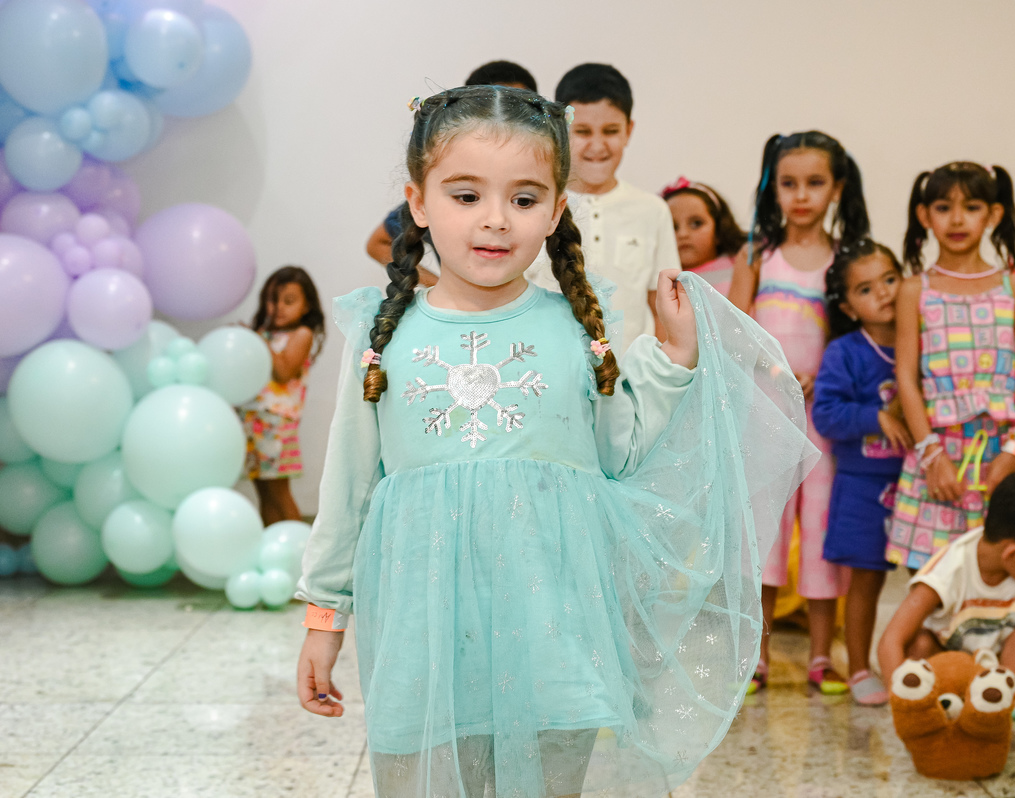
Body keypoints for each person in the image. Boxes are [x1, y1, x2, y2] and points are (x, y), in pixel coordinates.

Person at [294, 85, 816, 797]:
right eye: (466, 195)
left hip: (553, 630)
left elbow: (618, 454)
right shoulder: (382, 337)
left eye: (524, 198)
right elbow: (348, 488)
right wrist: (324, 617)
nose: (496, 220)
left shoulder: (577, 327)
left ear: (556, 210)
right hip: (426, 635)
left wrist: (673, 359)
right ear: (418, 202)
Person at [731, 131, 871, 695]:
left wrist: (825, 379)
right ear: (774, 188)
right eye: (789, 183)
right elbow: (733, 333)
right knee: (764, 532)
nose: (801, 195)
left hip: (825, 420)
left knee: (820, 531)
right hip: (765, 415)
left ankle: (820, 656)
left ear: (837, 188)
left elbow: (857, 337)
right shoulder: (757, 256)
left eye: (815, 183)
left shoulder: (846, 260)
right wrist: (773, 372)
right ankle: (756, 655)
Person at [878, 468, 1015, 760]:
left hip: (999, 674)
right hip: (951, 673)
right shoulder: (949, 570)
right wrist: (906, 704)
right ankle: (941, 719)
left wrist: (1001, 699)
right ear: (1013, 554)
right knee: (919, 644)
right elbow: (891, 640)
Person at [888, 162, 1015, 574]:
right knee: (931, 578)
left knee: (995, 573)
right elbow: (907, 379)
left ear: (993, 214)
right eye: (943, 207)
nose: (956, 220)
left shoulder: (1014, 287)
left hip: (998, 456)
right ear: (924, 216)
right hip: (938, 455)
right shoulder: (915, 289)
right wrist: (932, 455)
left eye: (971, 207)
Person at [812, 239, 910, 706]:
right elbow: (826, 414)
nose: (884, 293)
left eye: (890, 279)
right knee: (865, 582)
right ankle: (859, 669)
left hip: (920, 484)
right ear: (849, 307)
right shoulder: (845, 352)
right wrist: (876, 417)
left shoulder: (923, 340)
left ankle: (929, 660)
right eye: (867, 289)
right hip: (862, 487)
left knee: (931, 576)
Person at [524, 63, 680, 351]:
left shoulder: (652, 210)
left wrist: (661, 369)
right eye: (583, 131)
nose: (597, 146)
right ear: (560, 130)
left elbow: (662, 307)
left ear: (628, 131)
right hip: (550, 366)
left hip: (631, 372)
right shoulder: (534, 204)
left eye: (610, 131)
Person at [365, 60, 540, 280]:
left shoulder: (553, 192)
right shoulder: (440, 197)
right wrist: (436, 286)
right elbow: (378, 243)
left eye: (524, 201)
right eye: (467, 198)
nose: (503, 119)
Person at [240, 266, 325, 526]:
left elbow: (283, 372)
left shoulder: (302, 334)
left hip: (277, 424)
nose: (278, 307)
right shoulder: (265, 334)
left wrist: (258, 340)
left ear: (306, 306)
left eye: (288, 301)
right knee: (263, 491)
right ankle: (272, 541)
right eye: (272, 299)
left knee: (279, 491)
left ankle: (298, 545)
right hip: (253, 420)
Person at [660, 176, 745, 295]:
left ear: (719, 229)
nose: (683, 234)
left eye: (696, 223)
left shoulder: (742, 265)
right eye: (672, 227)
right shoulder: (662, 282)